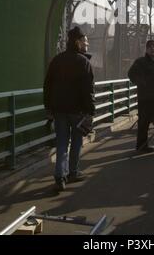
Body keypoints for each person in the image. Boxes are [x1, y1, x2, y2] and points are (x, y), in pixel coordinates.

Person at [44, 26, 95, 191]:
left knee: (61, 143)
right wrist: (90, 111)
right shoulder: (84, 62)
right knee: (77, 142)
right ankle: (73, 172)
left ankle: (60, 176)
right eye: (85, 41)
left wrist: (48, 107)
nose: (87, 44)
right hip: (78, 111)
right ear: (77, 42)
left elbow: (48, 85)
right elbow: (89, 90)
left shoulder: (57, 60)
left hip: (59, 110)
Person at [128, 40, 154, 152]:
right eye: (150, 47)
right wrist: (142, 82)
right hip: (145, 97)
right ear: (146, 49)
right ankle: (142, 146)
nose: (152, 49)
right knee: (144, 122)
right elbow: (131, 74)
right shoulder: (140, 62)